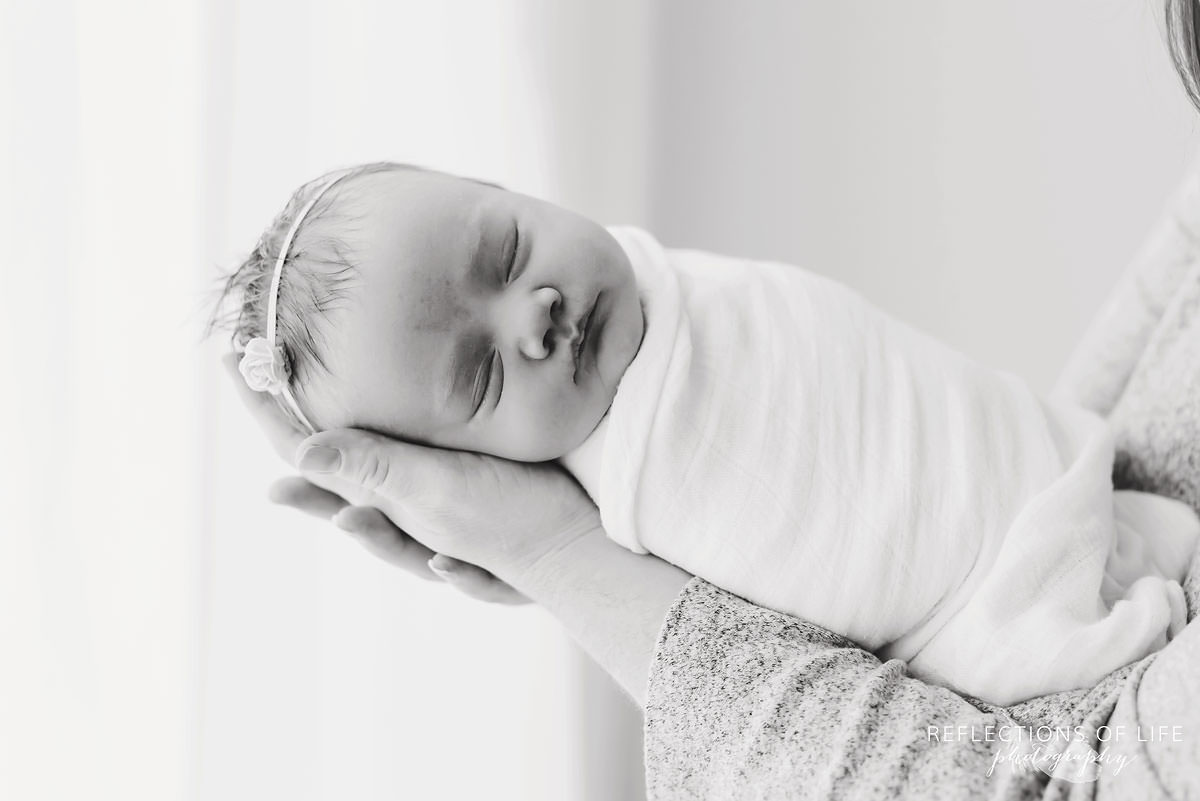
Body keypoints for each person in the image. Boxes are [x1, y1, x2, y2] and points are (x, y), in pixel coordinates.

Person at [216, 160, 1196, 705]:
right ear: (468, 465)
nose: (534, 314)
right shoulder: (612, 500)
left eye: (507, 247)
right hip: (996, 622)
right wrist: (538, 552)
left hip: (1057, 470)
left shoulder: (639, 276)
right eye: (478, 376)